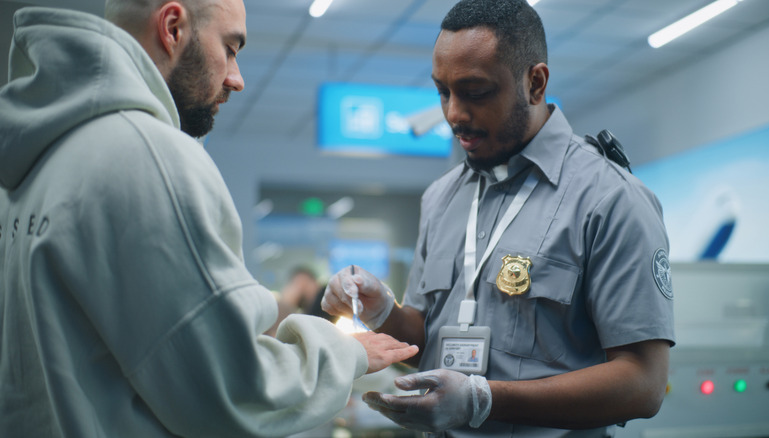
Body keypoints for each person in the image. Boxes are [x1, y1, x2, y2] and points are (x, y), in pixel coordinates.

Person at [0, 1, 418, 437]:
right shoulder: (150, 155)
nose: (236, 79)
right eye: (230, 48)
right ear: (173, 27)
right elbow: (234, 390)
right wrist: (345, 353)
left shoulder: (34, 162)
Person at [322, 0, 675, 436]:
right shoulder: (441, 197)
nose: (453, 113)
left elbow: (644, 384)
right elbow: (425, 340)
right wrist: (383, 313)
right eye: (443, 91)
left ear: (536, 83)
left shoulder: (610, 199)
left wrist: (484, 400)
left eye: (475, 92)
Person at [265, 266, 327, 336]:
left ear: (302, 279)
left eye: (295, 283)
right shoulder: (308, 314)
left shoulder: (325, 298)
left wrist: (286, 302)